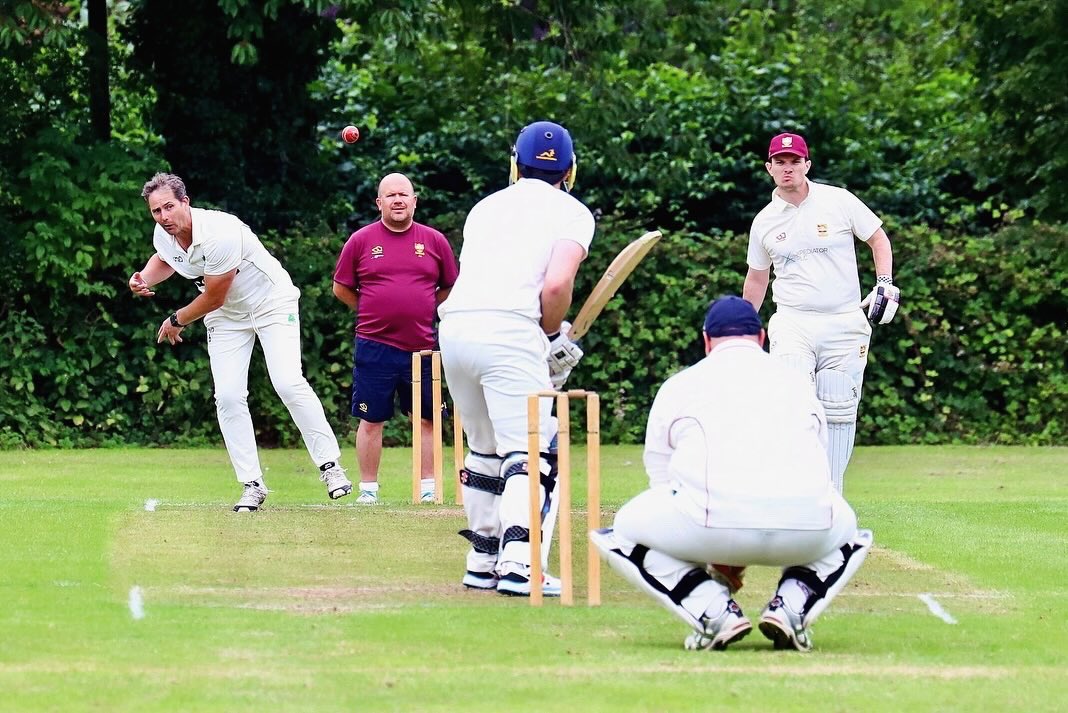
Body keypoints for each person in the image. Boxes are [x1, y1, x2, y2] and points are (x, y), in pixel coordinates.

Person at [590, 296, 873, 652]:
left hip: (710, 525)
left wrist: (713, 549)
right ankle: (792, 605)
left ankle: (711, 608)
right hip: (806, 530)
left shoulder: (680, 385)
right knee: (850, 532)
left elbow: (662, 482)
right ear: (762, 338)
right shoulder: (798, 384)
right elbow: (817, 464)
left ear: (706, 340)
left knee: (621, 532)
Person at [128, 172, 352, 511]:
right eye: (156, 211)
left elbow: (215, 296)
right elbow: (165, 259)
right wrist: (143, 277)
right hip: (228, 317)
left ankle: (330, 466)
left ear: (186, 202)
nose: (164, 217)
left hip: (270, 302)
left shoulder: (221, 233)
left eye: (169, 207)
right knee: (229, 396)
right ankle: (252, 484)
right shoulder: (165, 233)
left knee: (288, 383)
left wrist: (176, 320)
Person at [437, 120, 594, 596]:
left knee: (483, 449)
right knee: (530, 452)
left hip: (456, 329)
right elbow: (556, 286)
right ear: (569, 169)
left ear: (514, 163)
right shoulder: (573, 211)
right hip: (510, 331)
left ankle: (482, 560)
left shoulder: (484, 208)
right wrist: (548, 334)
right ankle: (521, 564)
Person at [742, 132, 899, 493]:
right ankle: (793, 489)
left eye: (794, 161)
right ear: (769, 168)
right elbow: (756, 278)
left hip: (845, 321)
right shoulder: (764, 222)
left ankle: (829, 499)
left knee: (839, 408)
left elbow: (878, 238)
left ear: (806, 165)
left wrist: (885, 282)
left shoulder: (838, 200)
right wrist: (743, 332)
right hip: (794, 320)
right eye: (779, 162)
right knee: (793, 401)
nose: (787, 168)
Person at [332, 173, 458, 504]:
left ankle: (428, 487)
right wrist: (370, 309)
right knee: (371, 419)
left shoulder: (434, 241)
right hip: (374, 345)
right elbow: (341, 287)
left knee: (427, 419)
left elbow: (449, 285)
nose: (398, 200)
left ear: (415, 201)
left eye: (404, 194)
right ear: (379, 203)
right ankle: (369, 490)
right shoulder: (361, 240)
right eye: (390, 195)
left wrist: (427, 307)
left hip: (423, 346)